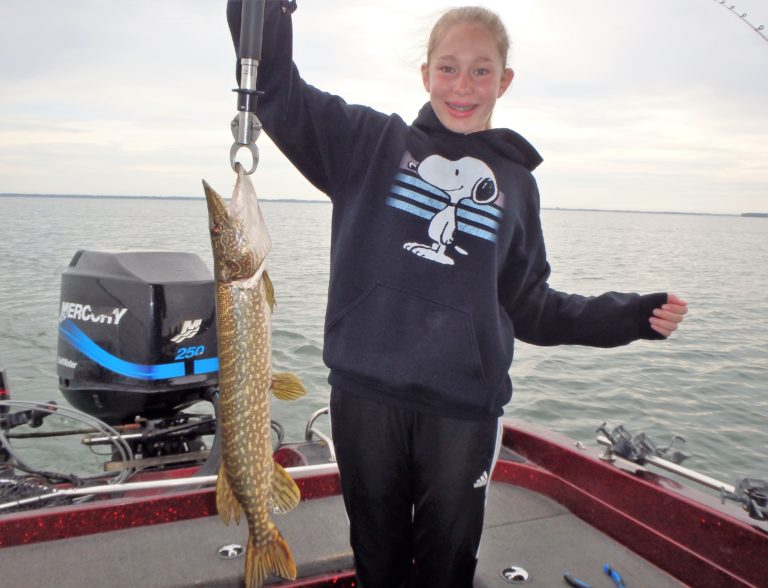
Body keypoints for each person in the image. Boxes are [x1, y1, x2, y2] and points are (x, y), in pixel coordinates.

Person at [226, 2, 688, 587]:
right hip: (366, 400)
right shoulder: (368, 143)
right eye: (448, 68)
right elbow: (276, 90)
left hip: (462, 412)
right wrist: (266, 10)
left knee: (448, 566)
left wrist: (629, 317)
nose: (462, 85)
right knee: (377, 561)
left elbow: (533, 307)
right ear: (426, 74)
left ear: (504, 80)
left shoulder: (516, 183)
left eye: (480, 70)